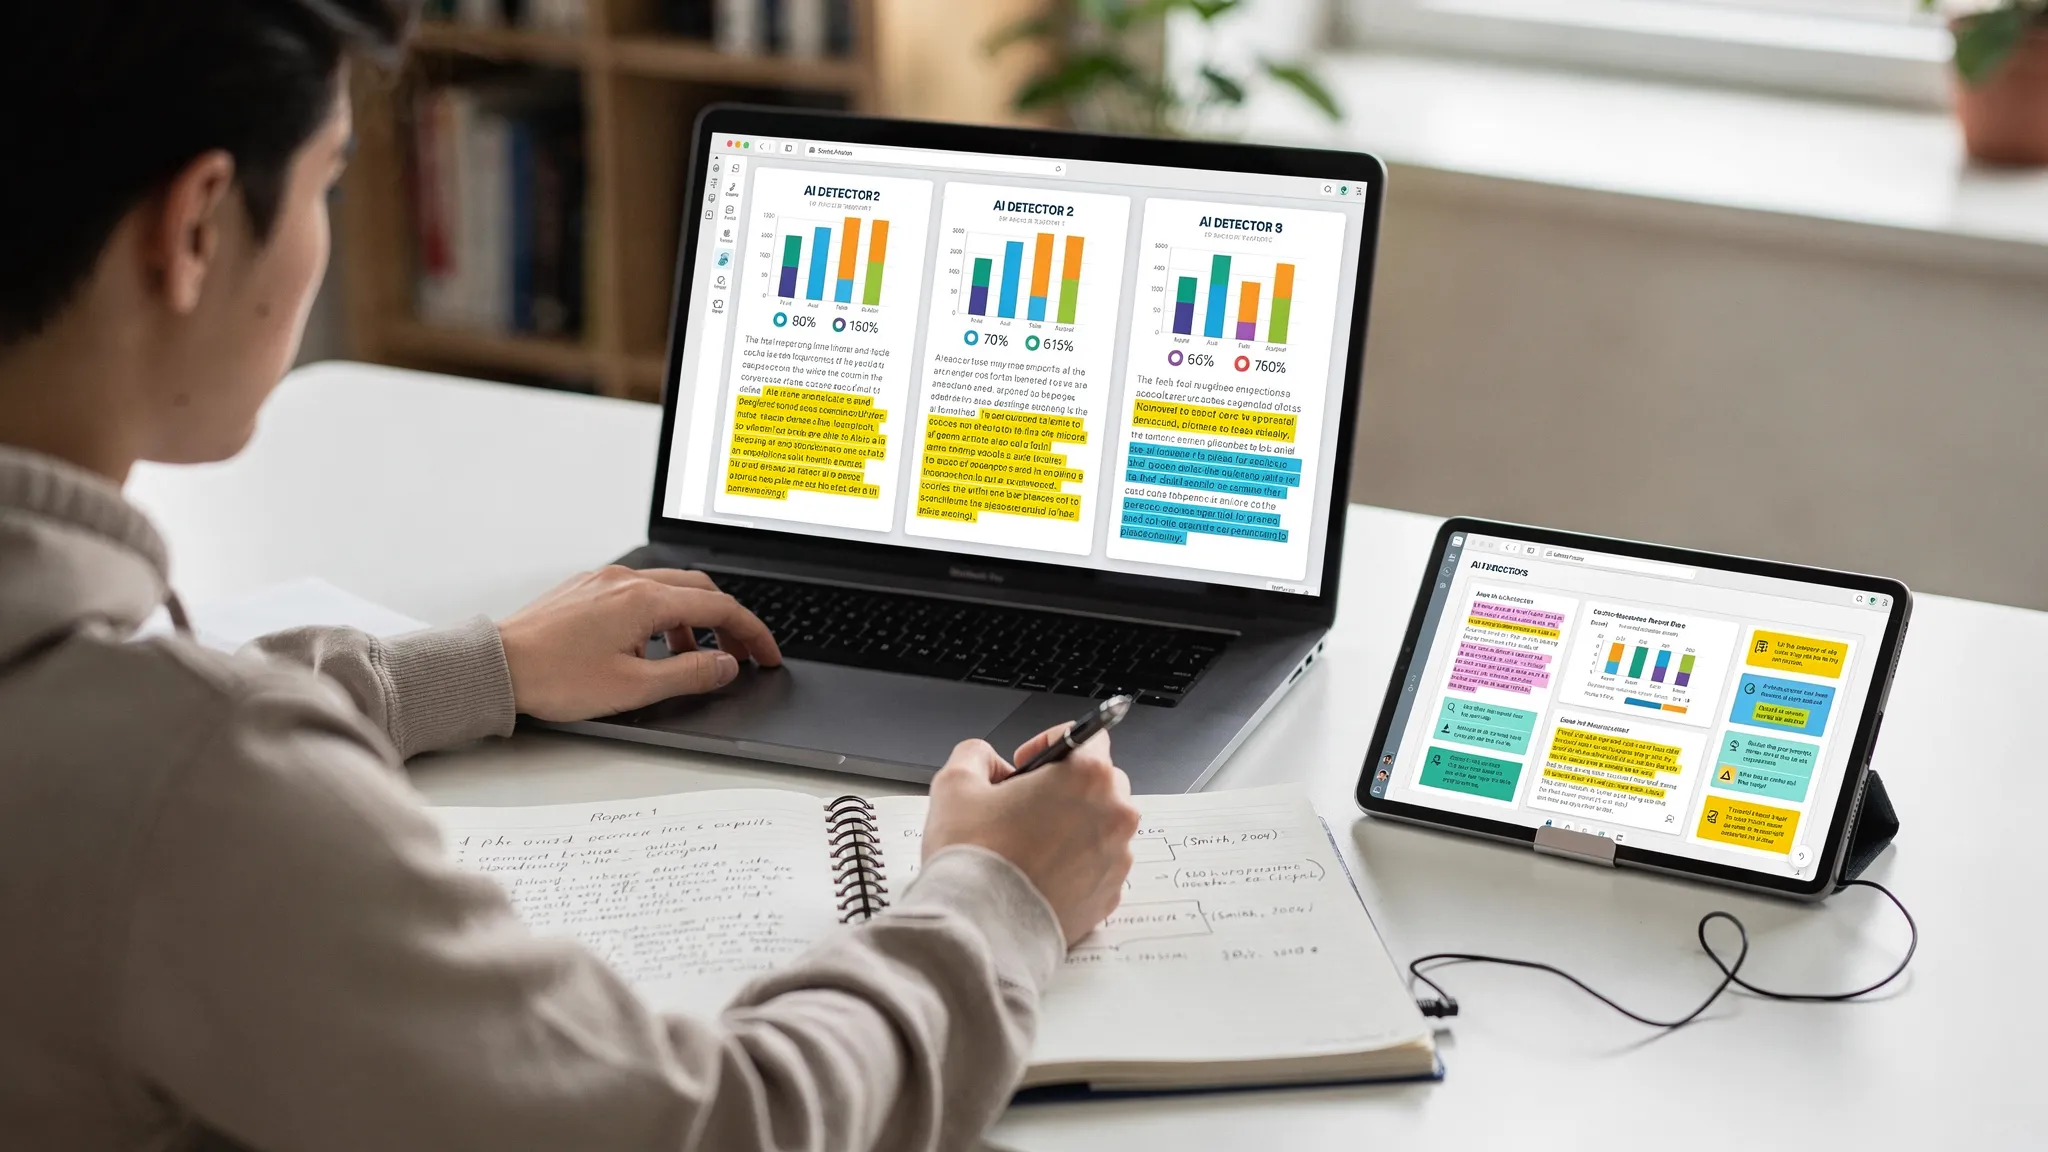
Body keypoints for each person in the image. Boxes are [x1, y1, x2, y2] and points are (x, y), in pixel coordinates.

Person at [0, 3, 1141, 1149]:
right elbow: (721, 1127)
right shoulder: (201, 799)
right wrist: (998, 896)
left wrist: (475, 669)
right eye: (327, 183)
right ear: (197, 228)